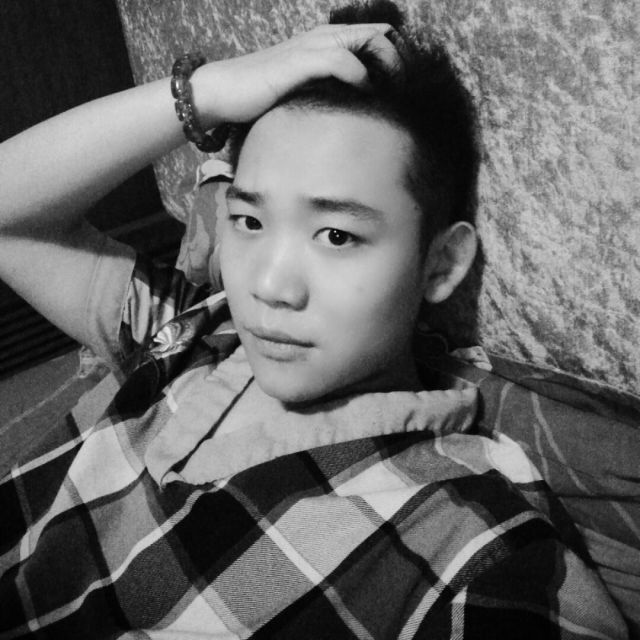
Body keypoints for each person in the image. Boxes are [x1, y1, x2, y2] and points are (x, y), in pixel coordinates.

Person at [0, 1, 628, 637]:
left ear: (440, 265)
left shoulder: (471, 546)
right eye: (249, 221)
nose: (268, 287)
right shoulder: (191, 329)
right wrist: (208, 91)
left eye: (336, 235)